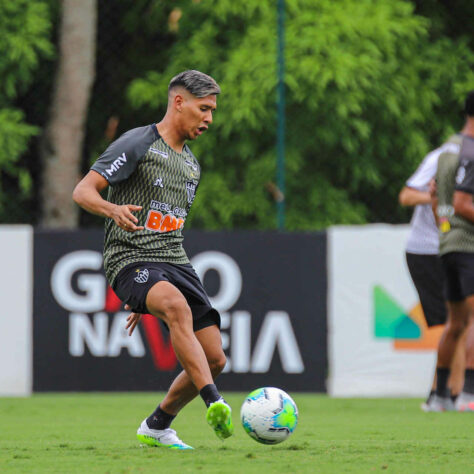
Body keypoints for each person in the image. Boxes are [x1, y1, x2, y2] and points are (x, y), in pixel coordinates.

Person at [73, 70, 234, 448]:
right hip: (129, 257)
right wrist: (112, 209)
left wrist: (150, 299)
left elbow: (169, 228)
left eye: (213, 110)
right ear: (179, 102)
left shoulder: (193, 166)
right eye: (204, 108)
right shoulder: (138, 142)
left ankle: (158, 424)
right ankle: (215, 402)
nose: (209, 118)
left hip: (174, 261)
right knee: (176, 306)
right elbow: (83, 191)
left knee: (215, 360)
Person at [399, 145, 465, 411]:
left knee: (462, 323)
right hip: (428, 252)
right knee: (458, 322)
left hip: (461, 250)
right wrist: (438, 197)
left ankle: (444, 395)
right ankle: (453, 394)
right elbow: (406, 195)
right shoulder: (446, 156)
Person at [430, 90, 474, 412]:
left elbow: (436, 198)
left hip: (448, 244)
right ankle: (470, 395)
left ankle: (440, 397)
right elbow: (461, 203)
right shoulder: (471, 151)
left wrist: (446, 232)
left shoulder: (447, 148)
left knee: (455, 323)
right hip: (469, 245)